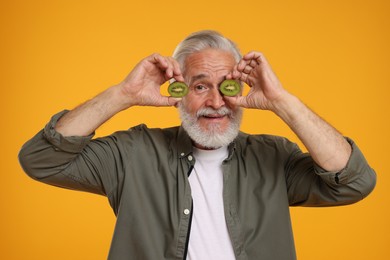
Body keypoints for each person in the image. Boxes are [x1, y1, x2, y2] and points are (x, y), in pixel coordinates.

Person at [18, 30, 376, 260]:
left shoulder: (274, 157)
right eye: (201, 86)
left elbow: (355, 181)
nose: (217, 103)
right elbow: (41, 159)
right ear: (176, 92)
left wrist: (282, 100)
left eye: (228, 87)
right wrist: (122, 95)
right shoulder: (133, 153)